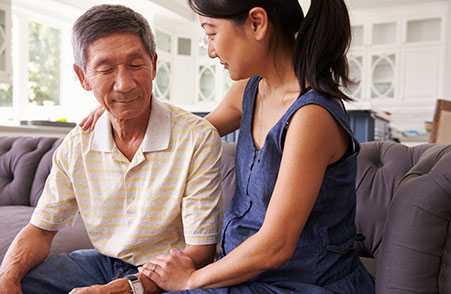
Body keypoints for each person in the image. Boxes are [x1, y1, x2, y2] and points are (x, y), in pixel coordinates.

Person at [81, 0, 375, 293]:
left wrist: (191, 280)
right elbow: (186, 136)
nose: (210, 51)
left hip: (302, 284)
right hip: (244, 275)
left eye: (211, 33)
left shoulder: (311, 117)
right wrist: (122, 112)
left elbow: (276, 245)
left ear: (257, 23)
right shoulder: (250, 89)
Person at [0, 4, 223, 294]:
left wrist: (126, 289)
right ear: (83, 77)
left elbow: (201, 251)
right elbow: (41, 230)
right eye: (105, 69)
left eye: (135, 65)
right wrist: (7, 277)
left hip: (172, 274)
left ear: (154, 65)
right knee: (20, 280)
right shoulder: (77, 145)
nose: (124, 84)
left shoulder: (197, 138)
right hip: (103, 262)